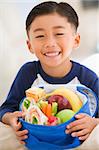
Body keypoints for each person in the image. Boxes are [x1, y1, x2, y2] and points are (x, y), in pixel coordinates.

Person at [0, 1, 99, 150]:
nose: (50, 43)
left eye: (59, 34)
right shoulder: (27, 73)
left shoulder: (87, 77)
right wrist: (11, 118)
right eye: (40, 36)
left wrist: (94, 123)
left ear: (76, 40)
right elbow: (6, 109)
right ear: (30, 45)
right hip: (35, 139)